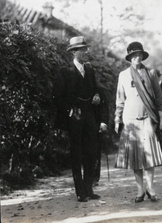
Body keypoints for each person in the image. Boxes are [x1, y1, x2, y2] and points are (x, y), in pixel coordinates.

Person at [53, 36, 108, 202]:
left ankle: (89, 189)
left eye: (86, 49)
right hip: (74, 117)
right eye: (82, 50)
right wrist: (68, 111)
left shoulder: (90, 70)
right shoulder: (65, 72)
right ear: (74, 52)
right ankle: (80, 192)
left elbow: (96, 90)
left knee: (91, 152)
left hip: (90, 116)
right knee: (76, 154)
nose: (85, 52)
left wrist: (97, 96)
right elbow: (57, 97)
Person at [114, 42, 162, 203]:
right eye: (133, 55)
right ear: (129, 58)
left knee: (149, 156)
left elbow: (158, 97)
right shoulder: (123, 75)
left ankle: (151, 188)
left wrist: (161, 117)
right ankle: (140, 190)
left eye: (139, 54)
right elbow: (120, 100)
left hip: (148, 119)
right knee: (135, 157)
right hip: (130, 121)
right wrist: (117, 119)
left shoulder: (151, 73)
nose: (137, 57)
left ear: (143, 56)